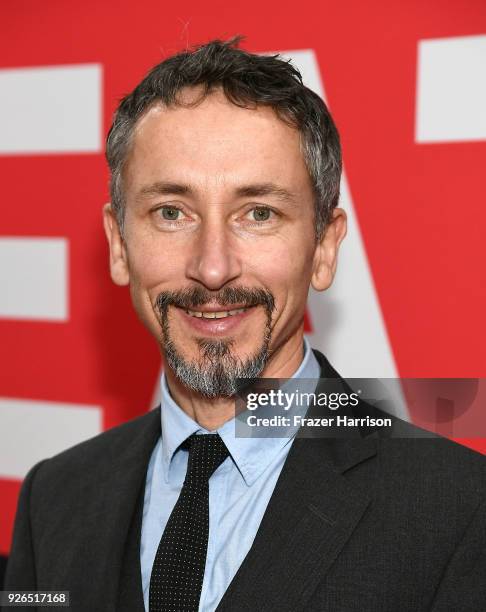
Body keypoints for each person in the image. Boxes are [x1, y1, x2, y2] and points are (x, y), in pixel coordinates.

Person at [4, 38, 486, 612]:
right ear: (118, 244)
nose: (212, 267)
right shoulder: (53, 498)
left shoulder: (460, 510)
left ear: (324, 247)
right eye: (171, 212)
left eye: (258, 213)